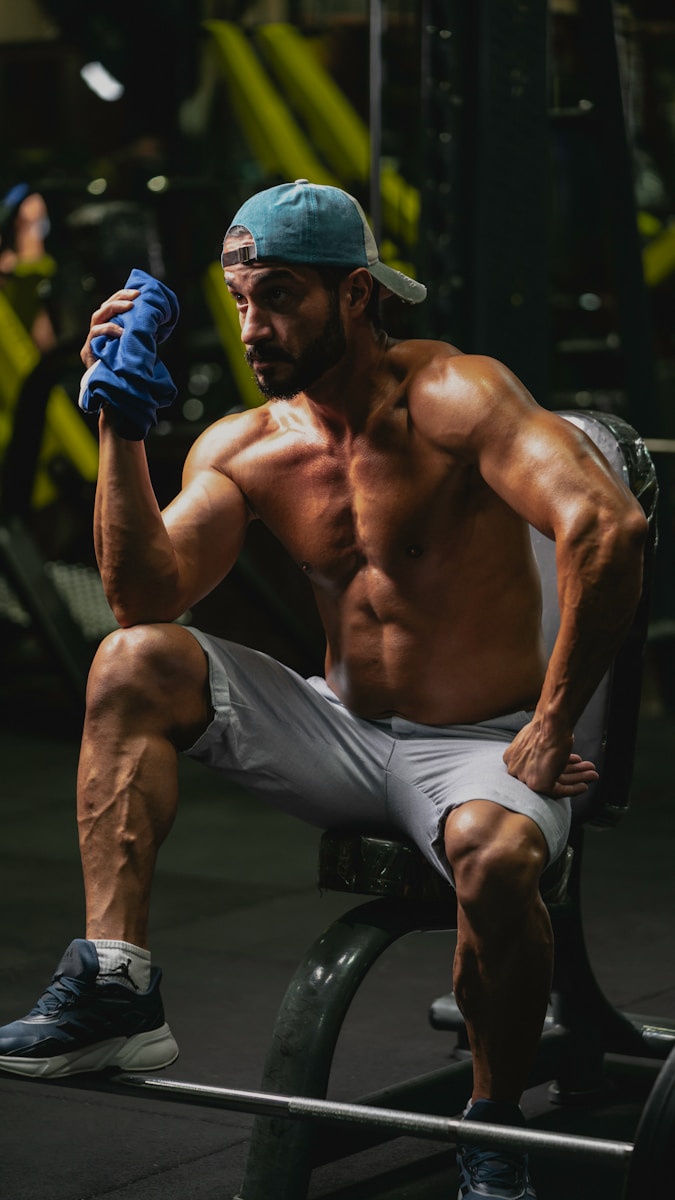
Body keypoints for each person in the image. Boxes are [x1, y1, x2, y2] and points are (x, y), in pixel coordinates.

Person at [0, 180, 647, 1200]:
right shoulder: (252, 445)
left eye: (281, 298)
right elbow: (142, 598)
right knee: (132, 662)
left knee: (494, 856)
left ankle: (491, 1129)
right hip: (340, 728)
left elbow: (609, 526)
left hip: (479, 741)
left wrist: (551, 723)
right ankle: (117, 986)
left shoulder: (453, 397)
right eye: (240, 297)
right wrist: (119, 428)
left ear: (356, 296)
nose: (253, 327)